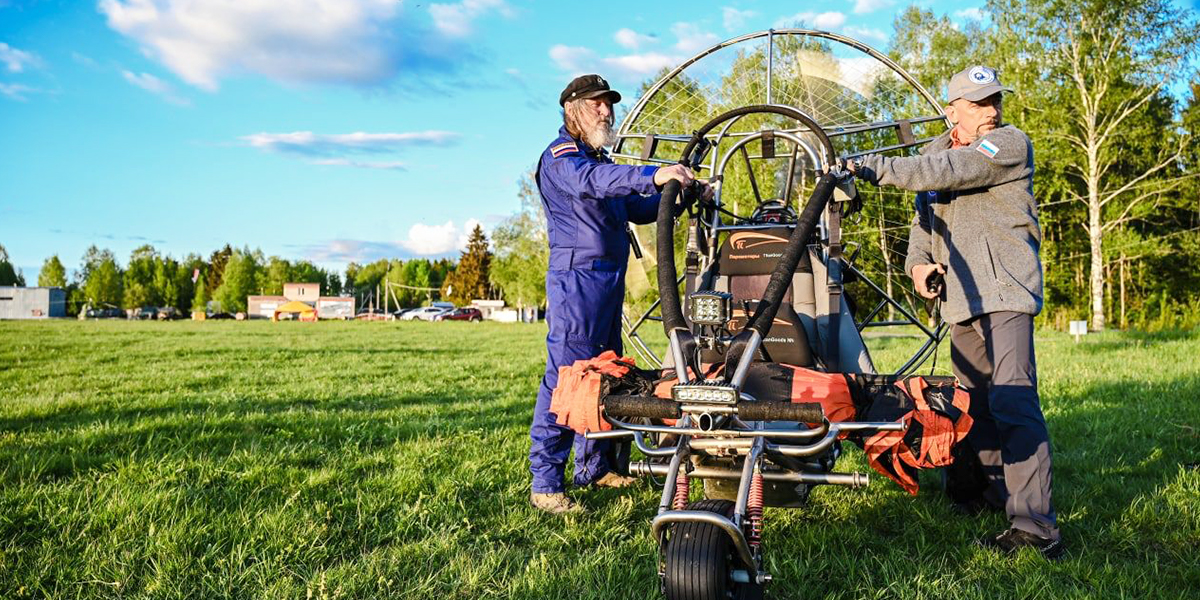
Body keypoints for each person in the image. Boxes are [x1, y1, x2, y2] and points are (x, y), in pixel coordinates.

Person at [846, 65, 1062, 558]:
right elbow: (924, 223)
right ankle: (987, 493)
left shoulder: (1006, 143)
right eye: (978, 103)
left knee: (1013, 400)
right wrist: (918, 265)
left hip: (1005, 292)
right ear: (953, 110)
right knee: (974, 404)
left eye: (994, 101)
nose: (991, 111)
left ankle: (1035, 528)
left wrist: (872, 166)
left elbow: (948, 173)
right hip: (961, 299)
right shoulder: (934, 153)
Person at [529, 74, 710, 514]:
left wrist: (680, 194)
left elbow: (641, 207)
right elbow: (597, 182)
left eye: (609, 104)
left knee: (607, 372)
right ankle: (546, 482)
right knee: (566, 375)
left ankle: (596, 467)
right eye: (597, 104)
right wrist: (653, 173)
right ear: (572, 108)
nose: (606, 111)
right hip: (577, 281)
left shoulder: (598, 160)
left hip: (607, 278)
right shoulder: (563, 159)